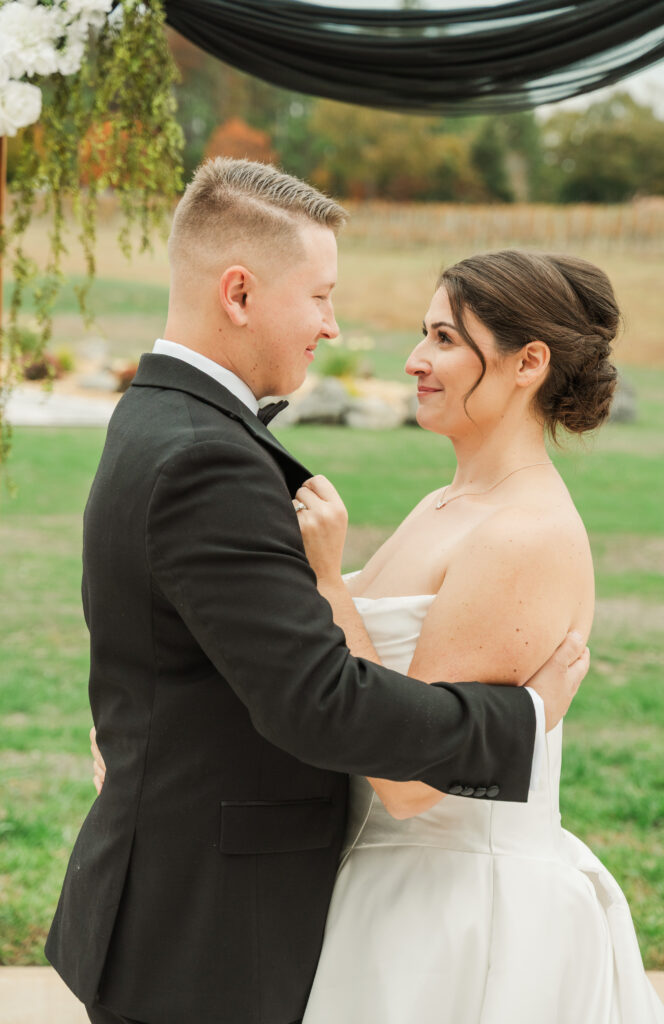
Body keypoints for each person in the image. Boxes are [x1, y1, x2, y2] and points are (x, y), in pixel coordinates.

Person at [45, 160, 586, 1024]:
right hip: (207, 930)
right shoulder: (205, 455)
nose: (333, 327)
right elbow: (320, 701)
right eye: (321, 296)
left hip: (241, 902)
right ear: (239, 293)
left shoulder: (161, 417)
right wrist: (521, 719)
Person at [292, 249, 664, 1024]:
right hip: (385, 890)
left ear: (527, 362)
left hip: (461, 922)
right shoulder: (444, 503)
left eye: (442, 338)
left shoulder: (522, 534)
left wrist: (330, 582)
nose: (414, 360)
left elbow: (411, 782)